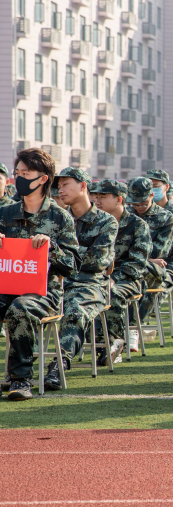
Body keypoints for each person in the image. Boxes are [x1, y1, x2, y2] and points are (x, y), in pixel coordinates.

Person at [0, 148, 79, 401]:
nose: (19, 178)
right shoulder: (4, 214)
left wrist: (51, 248)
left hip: (43, 293)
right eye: (17, 173)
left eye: (26, 173)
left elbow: (72, 265)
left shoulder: (59, 217)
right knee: (12, 303)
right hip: (6, 286)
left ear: (43, 178)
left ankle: (21, 379)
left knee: (20, 308)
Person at [52, 168, 119, 380]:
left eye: (65, 185)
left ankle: (60, 362)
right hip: (56, 281)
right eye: (59, 186)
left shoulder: (106, 222)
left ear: (83, 186)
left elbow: (97, 261)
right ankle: (18, 371)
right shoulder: (57, 220)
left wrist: (60, 251)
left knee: (74, 310)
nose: (60, 190)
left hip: (90, 285)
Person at [92, 179, 152, 356]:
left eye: (103, 197)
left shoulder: (137, 225)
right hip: (97, 278)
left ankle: (112, 343)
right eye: (96, 197)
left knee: (113, 293)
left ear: (119, 199)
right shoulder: (94, 223)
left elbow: (137, 264)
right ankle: (91, 342)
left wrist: (113, 278)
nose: (98, 201)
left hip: (127, 280)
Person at [129, 177, 173, 330]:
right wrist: (149, 260)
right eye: (135, 204)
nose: (139, 207)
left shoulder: (165, 217)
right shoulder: (126, 215)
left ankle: (132, 327)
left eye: (143, 203)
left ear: (151, 196)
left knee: (152, 277)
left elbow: (159, 251)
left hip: (152, 268)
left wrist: (143, 259)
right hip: (128, 265)